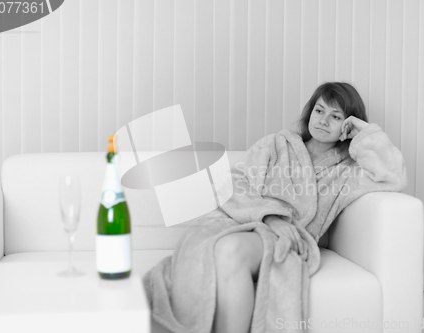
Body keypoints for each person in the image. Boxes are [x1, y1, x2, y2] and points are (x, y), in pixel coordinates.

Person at [143, 82, 407, 333]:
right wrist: (270, 216)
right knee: (209, 247)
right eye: (318, 110)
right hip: (244, 222)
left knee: (229, 250)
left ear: (347, 126)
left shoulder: (347, 171)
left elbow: (393, 175)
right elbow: (235, 184)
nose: (323, 120)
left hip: (287, 240)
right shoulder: (276, 145)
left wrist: (365, 133)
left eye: (336, 116)